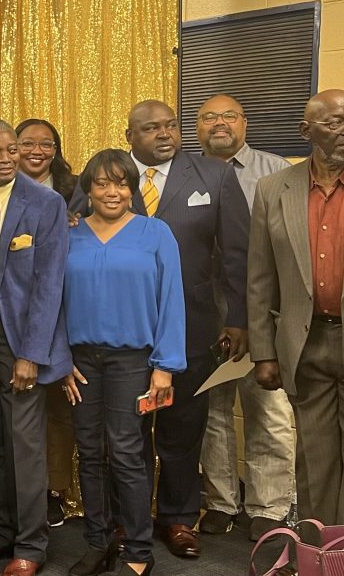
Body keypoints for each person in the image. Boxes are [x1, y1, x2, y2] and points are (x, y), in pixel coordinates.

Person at [69, 100, 250, 559]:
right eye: (151, 128)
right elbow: (71, 238)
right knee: (119, 440)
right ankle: (118, 524)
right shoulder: (104, 178)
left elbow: (236, 254)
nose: (164, 134)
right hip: (110, 335)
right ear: (130, 135)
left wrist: (239, 318)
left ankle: (177, 518)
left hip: (188, 327)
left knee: (182, 429)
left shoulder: (213, 176)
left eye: (171, 125)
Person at [62, 149, 186, 576]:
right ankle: (98, 543)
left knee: (128, 452)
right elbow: (51, 301)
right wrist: (60, 358)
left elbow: (172, 300)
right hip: (81, 362)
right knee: (90, 453)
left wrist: (164, 365)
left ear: (132, 187)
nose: (112, 191)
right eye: (102, 183)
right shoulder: (69, 234)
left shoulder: (155, 233)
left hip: (134, 361)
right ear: (88, 189)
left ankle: (138, 548)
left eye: (121, 182)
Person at [0, 119, 70, 576]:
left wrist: (31, 354)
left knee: (23, 442)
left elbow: (49, 284)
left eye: (13, 151)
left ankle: (31, 544)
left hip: (17, 337)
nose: (7, 159)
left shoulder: (46, 202)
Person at [194, 94, 296, 540]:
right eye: (209, 117)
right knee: (212, 407)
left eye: (229, 116)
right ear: (197, 127)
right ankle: (220, 500)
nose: (219, 123)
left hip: (265, 308)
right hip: (204, 309)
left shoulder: (278, 172)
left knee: (267, 407)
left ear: (245, 124)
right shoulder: (186, 171)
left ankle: (269, 506)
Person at [250, 89, 344, 526]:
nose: (343, 130)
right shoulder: (273, 189)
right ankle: (321, 553)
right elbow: (260, 278)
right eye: (334, 122)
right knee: (315, 460)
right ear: (307, 131)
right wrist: (264, 352)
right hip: (306, 345)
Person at [15, 117, 78, 527]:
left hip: (69, 310)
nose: (37, 151)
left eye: (46, 143)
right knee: (22, 414)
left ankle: (55, 491)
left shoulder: (76, 192)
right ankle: (22, 492)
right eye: (27, 143)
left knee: (60, 411)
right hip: (18, 316)